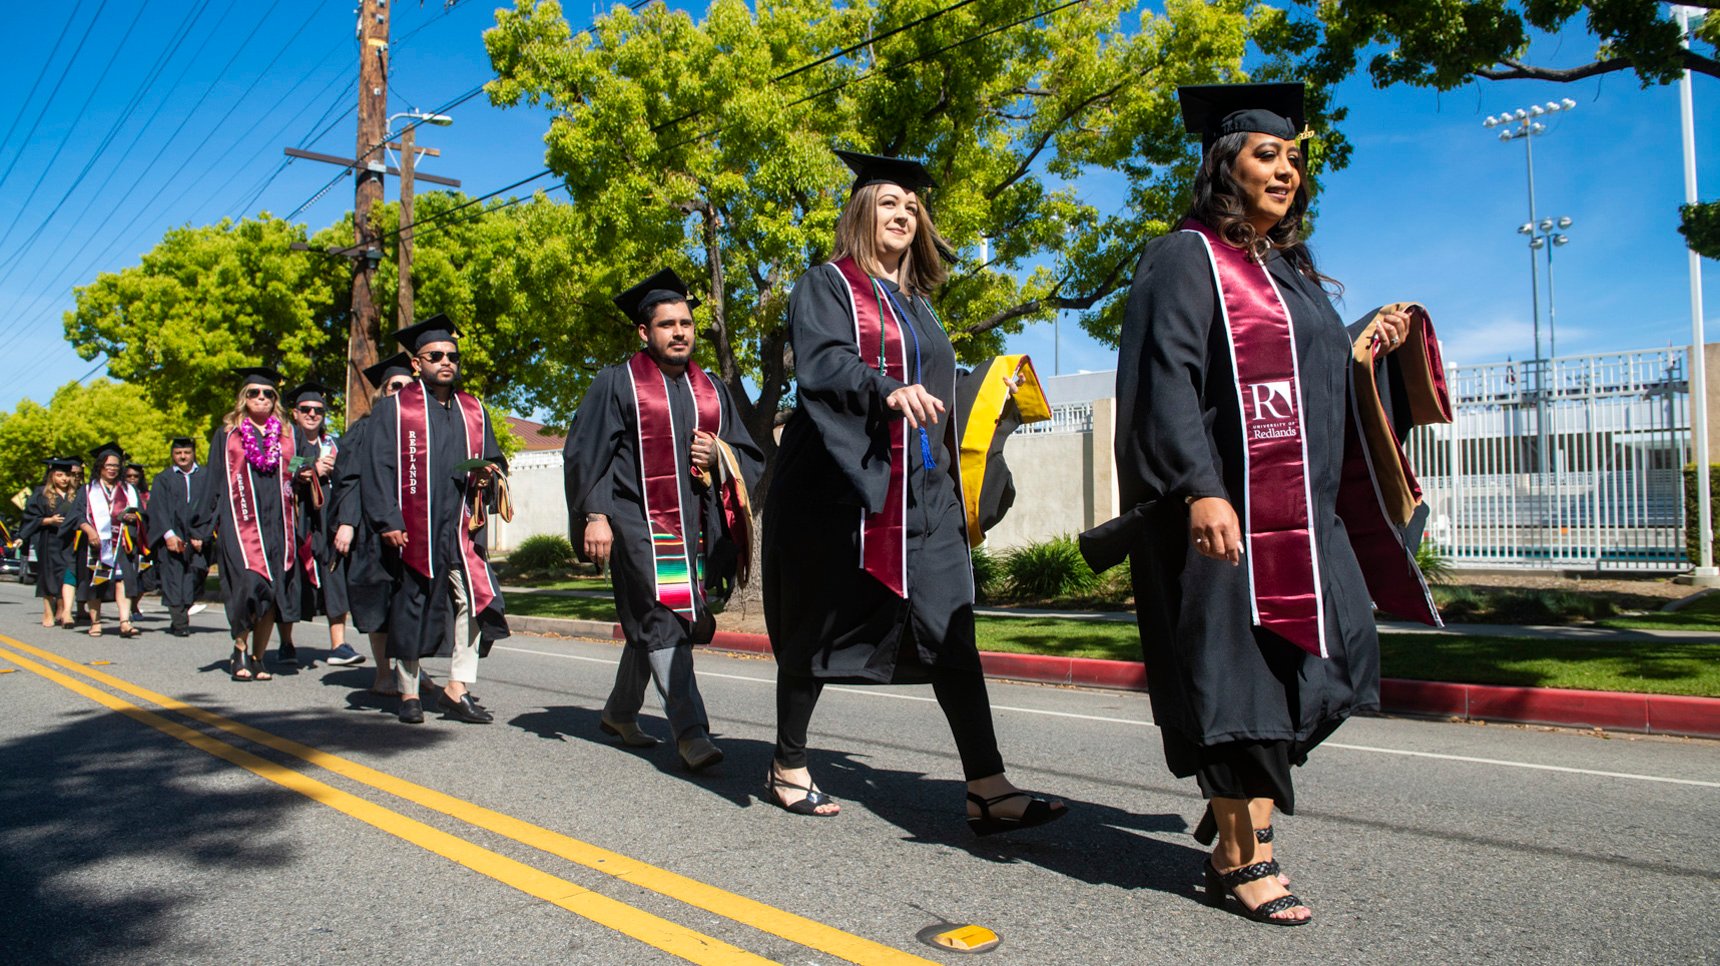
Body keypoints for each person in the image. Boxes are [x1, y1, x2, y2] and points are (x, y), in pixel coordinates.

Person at [1103, 83, 1442, 926]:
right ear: (1225, 165)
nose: (1286, 168)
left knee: (1338, 660)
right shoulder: (1185, 257)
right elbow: (1164, 380)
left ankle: (1242, 812)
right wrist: (1199, 487)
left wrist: (1365, 338)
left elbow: (1307, 375)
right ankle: (1240, 856)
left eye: (1293, 157)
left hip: (1304, 511)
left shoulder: (1289, 274)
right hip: (1220, 514)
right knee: (1235, 685)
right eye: (1266, 154)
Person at [761, 150, 1067, 830]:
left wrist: (994, 400)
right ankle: (786, 763)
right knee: (817, 622)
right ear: (860, 214)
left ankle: (987, 785)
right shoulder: (826, 285)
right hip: (842, 487)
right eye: (887, 203)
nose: (902, 214)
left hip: (924, 494)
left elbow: (940, 392)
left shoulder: (920, 308)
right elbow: (824, 363)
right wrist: (884, 387)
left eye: (911, 206)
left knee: (952, 625)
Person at [563, 269, 764, 770]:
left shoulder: (712, 389)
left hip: (697, 526)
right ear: (644, 333)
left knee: (666, 620)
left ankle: (618, 712)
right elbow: (587, 454)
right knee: (663, 616)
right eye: (668, 324)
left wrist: (719, 452)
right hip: (637, 522)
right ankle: (691, 732)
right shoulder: (617, 383)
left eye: (687, 323)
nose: (680, 332)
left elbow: (748, 454)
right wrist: (595, 515)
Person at [361, 316, 509, 725]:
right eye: (436, 355)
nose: (446, 362)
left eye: (452, 356)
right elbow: (378, 468)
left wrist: (491, 473)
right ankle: (409, 692)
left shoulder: (473, 410)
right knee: (412, 606)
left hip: (461, 527)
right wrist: (387, 519)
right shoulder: (394, 410)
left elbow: (495, 460)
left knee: (478, 600)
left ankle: (457, 687)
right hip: (413, 527)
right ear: (416, 363)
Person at [195, 366, 303, 682]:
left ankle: (257, 658)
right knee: (248, 584)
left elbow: (297, 465)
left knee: (271, 590)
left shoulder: (285, 436)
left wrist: (302, 472)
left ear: (275, 399)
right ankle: (240, 647)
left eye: (268, 393)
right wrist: (203, 527)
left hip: (278, 526)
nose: (261, 398)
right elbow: (214, 480)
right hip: (238, 523)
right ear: (244, 397)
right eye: (254, 392)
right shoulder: (228, 435)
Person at [330, 352, 415, 691]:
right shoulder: (363, 429)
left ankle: (411, 676)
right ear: (382, 391)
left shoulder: (420, 430)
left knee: (410, 602)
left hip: (414, 530)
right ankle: (383, 672)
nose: (402, 392)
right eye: (396, 386)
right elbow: (348, 478)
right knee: (379, 602)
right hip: (372, 530)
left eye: (410, 387)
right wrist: (347, 523)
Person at [283, 380, 361, 667]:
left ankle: (338, 645)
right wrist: (310, 468)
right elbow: (285, 471)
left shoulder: (334, 443)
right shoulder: (285, 444)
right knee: (292, 582)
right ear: (295, 412)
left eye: (318, 409)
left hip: (328, 521)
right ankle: (286, 642)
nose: (313, 414)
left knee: (335, 578)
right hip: (296, 522)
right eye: (306, 409)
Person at [63, 443, 147, 638]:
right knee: (96, 582)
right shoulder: (88, 490)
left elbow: (142, 514)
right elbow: (76, 515)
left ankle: (124, 622)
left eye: (116, 465)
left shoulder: (128, 490)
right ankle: (96, 622)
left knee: (123, 580)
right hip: (96, 544)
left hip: (123, 544)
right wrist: (89, 530)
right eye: (108, 465)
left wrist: (135, 519)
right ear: (99, 466)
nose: (112, 469)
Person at [147, 437, 210, 637]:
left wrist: (202, 534)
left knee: (196, 575)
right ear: (172, 455)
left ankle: (181, 613)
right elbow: (158, 509)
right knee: (173, 579)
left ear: (194, 453)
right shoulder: (163, 479)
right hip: (172, 536)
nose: (182, 456)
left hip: (199, 537)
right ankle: (180, 622)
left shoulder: (207, 477)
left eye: (187, 452)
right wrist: (168, 535)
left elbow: (213, 506)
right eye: (178, 453)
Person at [18, 457, 79, 628]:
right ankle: (48, 610)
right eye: (59, 475)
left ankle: (65, 610)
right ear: (52, 476)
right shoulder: (41, 494)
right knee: (48, 576)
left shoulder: (77, 494)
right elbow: (30, 518)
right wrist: (49, 520)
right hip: (49, 540)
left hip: (70, 541)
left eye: (67, 475)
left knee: (68, 574)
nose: (64, 479)